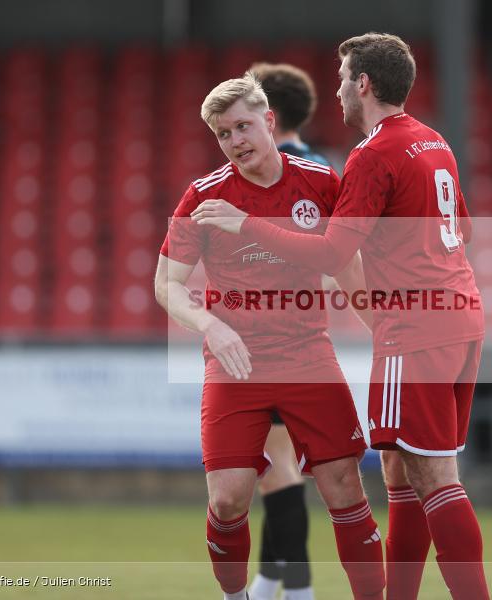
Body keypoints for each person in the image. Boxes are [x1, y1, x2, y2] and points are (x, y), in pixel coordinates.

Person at [191, 33, 490, 600]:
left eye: (342, 79)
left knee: (434, 479)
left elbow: (330, 253)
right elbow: (465, 230)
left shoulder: (374, 153)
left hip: (416, 326)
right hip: (461, 315)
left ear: (364, 84)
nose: (337, 92)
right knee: (402, 472)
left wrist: (246, 224)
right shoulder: (433, 142)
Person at [154, 73, 385, 600]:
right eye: (222, 134)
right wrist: (210, 324)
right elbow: (166, 284)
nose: (235, 141)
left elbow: (348, 268)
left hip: (307, 355)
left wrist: (384, 334)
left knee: (345, 486)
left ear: (270, 122)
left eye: (243, 126)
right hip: (236, 365)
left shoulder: (321, 182)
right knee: (229, 500)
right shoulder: (204, 197)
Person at [245, 61, 331, 600]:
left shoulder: (265, 173)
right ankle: (268, 582)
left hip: (266, 338)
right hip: (304, 335)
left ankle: (296, 589)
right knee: (278, 469)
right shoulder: (322, 168)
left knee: (277, 472)